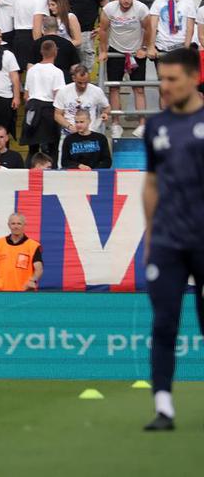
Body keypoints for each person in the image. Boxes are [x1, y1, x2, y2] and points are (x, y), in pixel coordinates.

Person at [141, 48, 204, 430]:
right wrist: (150, 237)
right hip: (167, 242)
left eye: (172, 79)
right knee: (164, 323)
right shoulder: (156, 126)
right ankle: (163, 406)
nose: (164, 87)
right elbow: (150, 184)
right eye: (161, 79)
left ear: (195, 78)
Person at [0, 212, 43, 291]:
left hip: (24, 292)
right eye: (13, 223)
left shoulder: (33, 246)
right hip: (1, 291)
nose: (16, 226)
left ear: (24, 225)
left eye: (19, 224)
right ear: (9, 225)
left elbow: (39, 268)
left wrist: (32, 280)